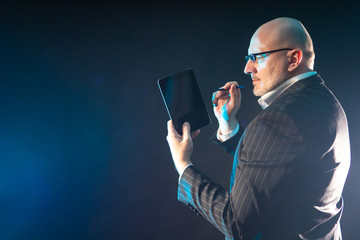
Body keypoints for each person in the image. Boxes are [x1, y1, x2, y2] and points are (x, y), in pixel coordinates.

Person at [166, 17, 351, 240]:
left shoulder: (279, 119)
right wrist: (228, 125)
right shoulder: (326, 102)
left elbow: (236, 224)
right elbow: (275, 165)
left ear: (293, 59)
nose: (247, 68)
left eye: (257, 57)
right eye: (248, 58)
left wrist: (183, 164)